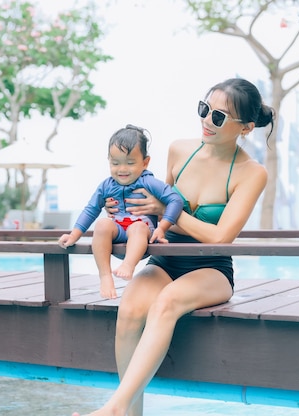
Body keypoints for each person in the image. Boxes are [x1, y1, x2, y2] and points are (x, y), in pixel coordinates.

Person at [72, 78, 274, 416]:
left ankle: (115, 408)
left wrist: (162, 212)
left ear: (247, 128)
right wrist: (122, 214)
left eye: (219, 117)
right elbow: (152, 207)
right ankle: (129, 413)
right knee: (131, 309)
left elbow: (221, 236)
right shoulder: (179, 149)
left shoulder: (252, 173)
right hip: (165, 258)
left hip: (210, 268)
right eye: (204, 109)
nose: (207, 121)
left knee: (166, 303)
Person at [58, 125, 183, 299]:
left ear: (145, 162)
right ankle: (105, 276)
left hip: (141, 237)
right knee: (102, 224)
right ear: (108, 161)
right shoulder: (106, 185)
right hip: (118, 230)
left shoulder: (148, 182)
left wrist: (162, 227)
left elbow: (175, 200)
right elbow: (91, 209)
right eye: (115, 163)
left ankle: (128, 266)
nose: (122, 169)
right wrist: (74, 235)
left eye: (130, 163)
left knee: (137, 227)